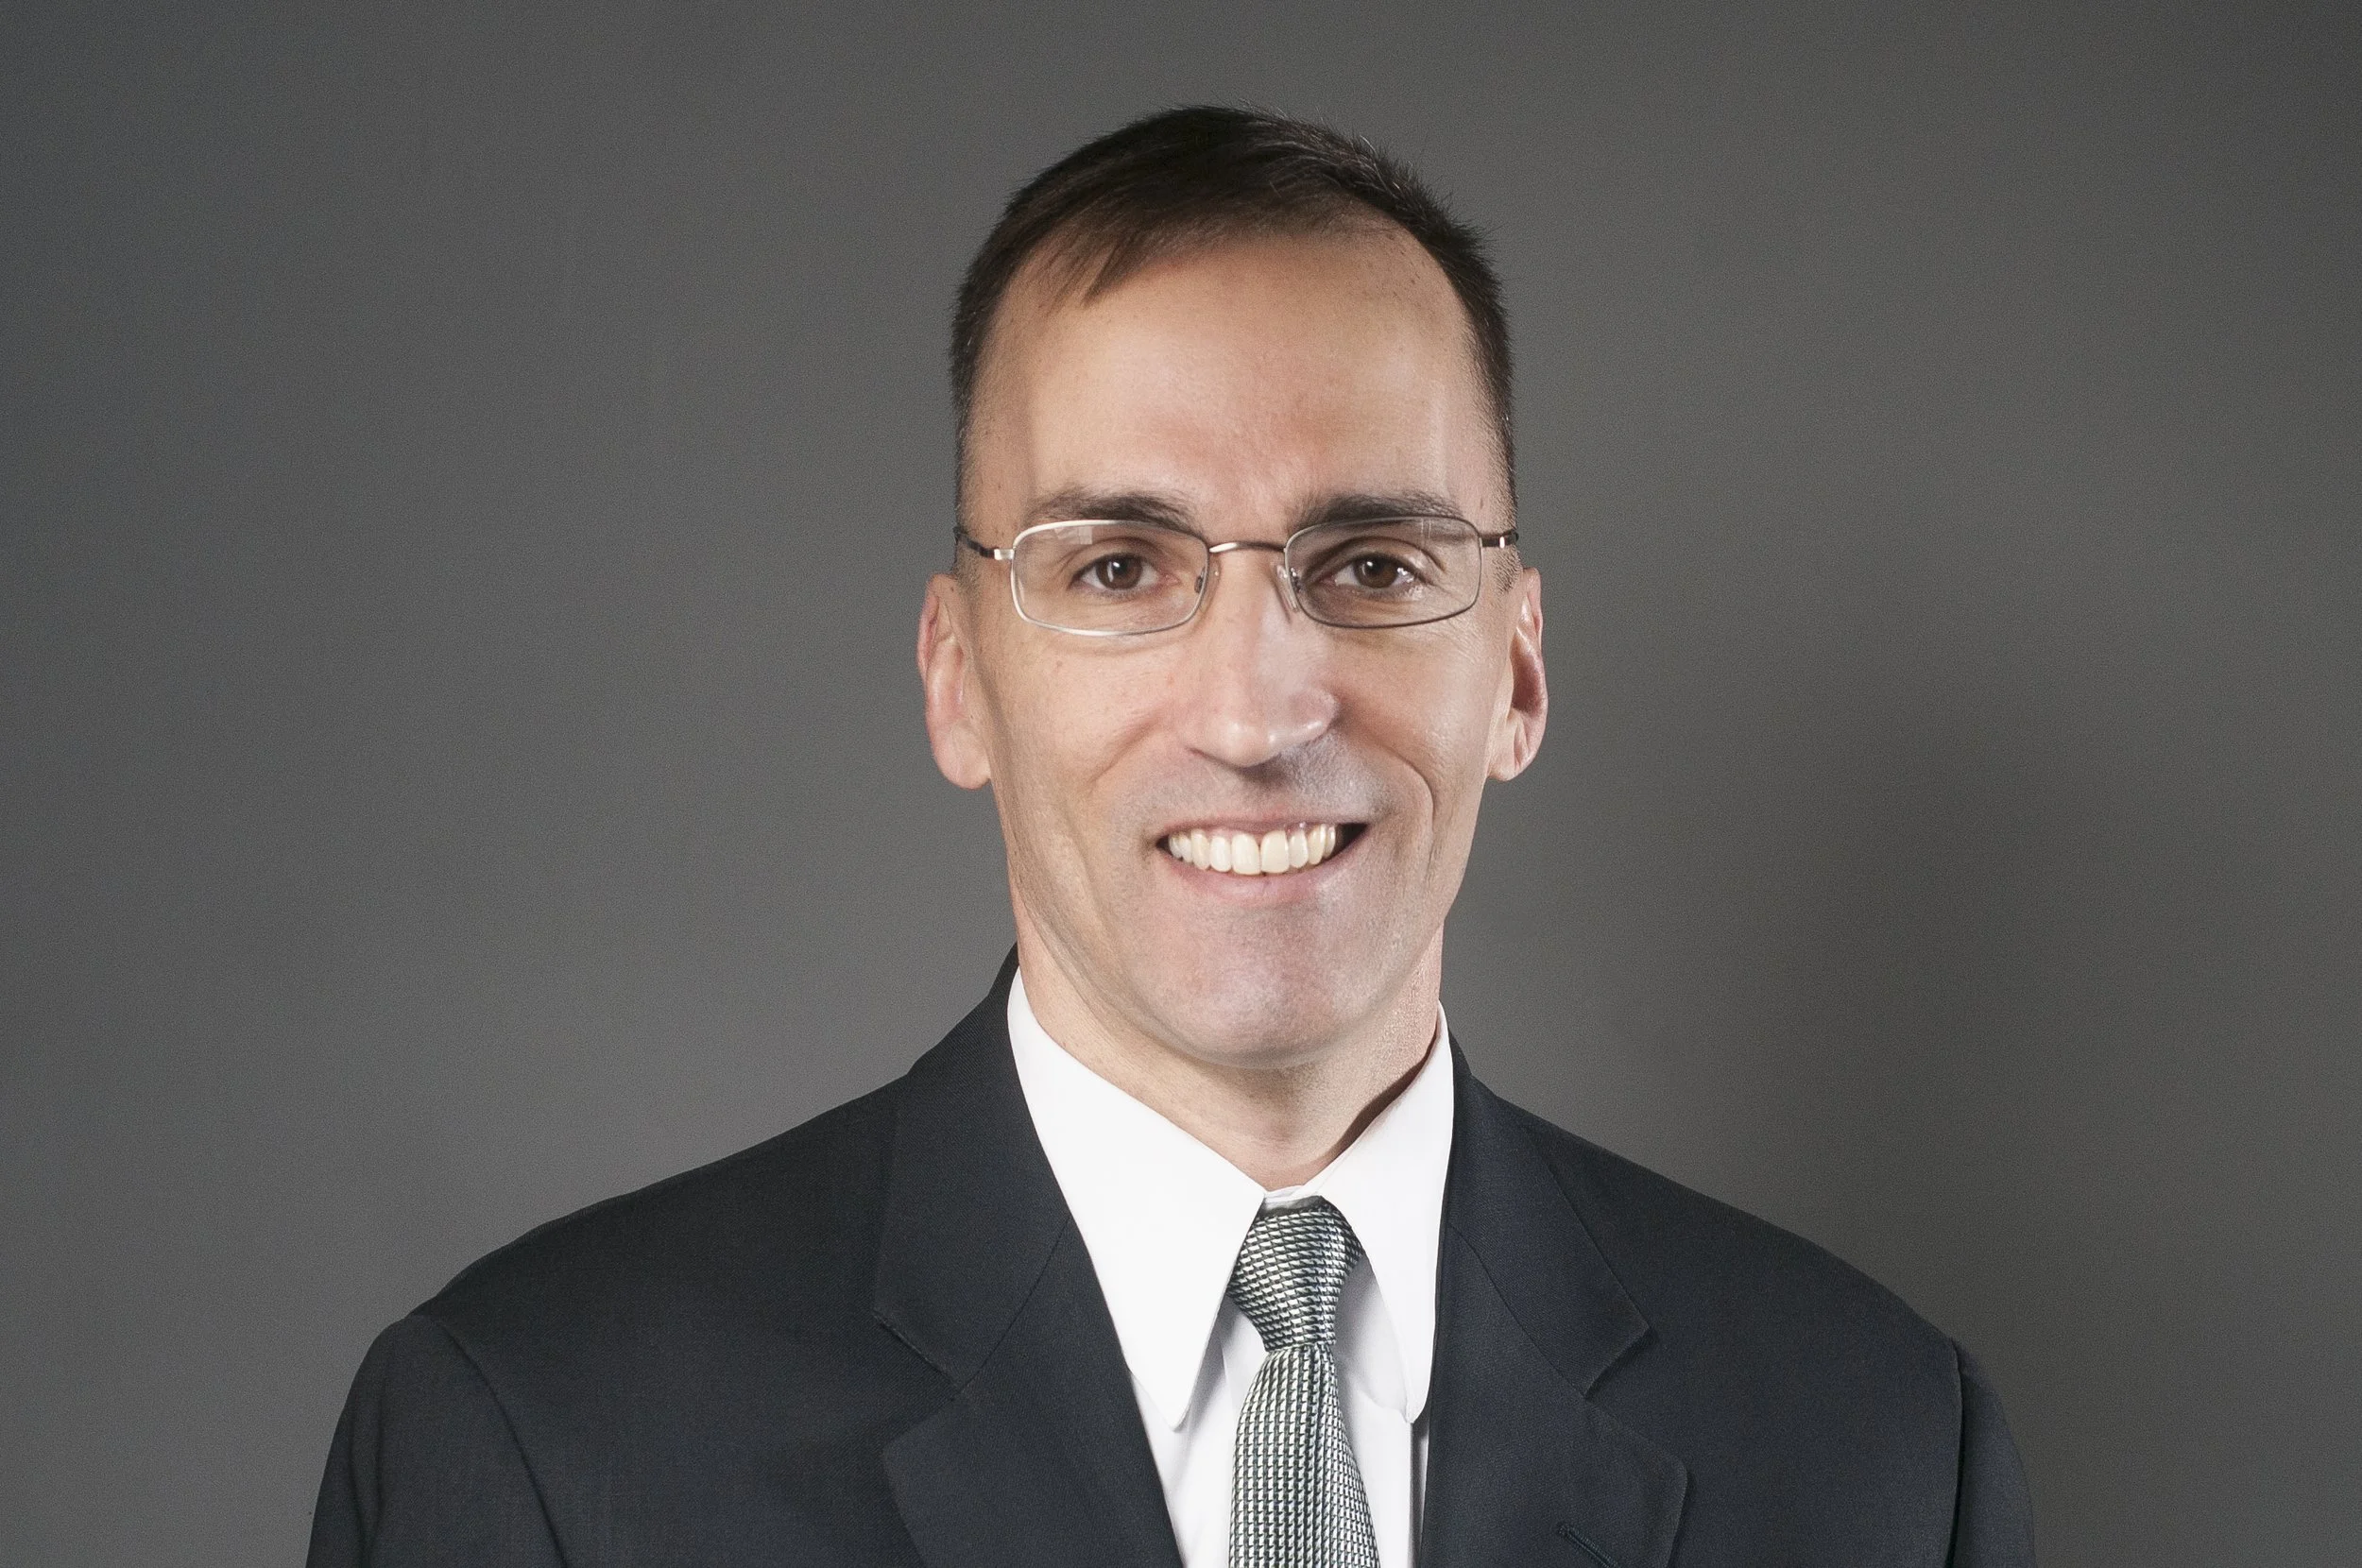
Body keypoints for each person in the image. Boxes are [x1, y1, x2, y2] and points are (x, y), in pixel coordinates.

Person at [309, 107, 2036, 1568]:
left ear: (1515, 672)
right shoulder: (545, 1441)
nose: (1255, 712)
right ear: (958, 682)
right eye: (1120, 569)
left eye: (1373, 566)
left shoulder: (1882, 1450)